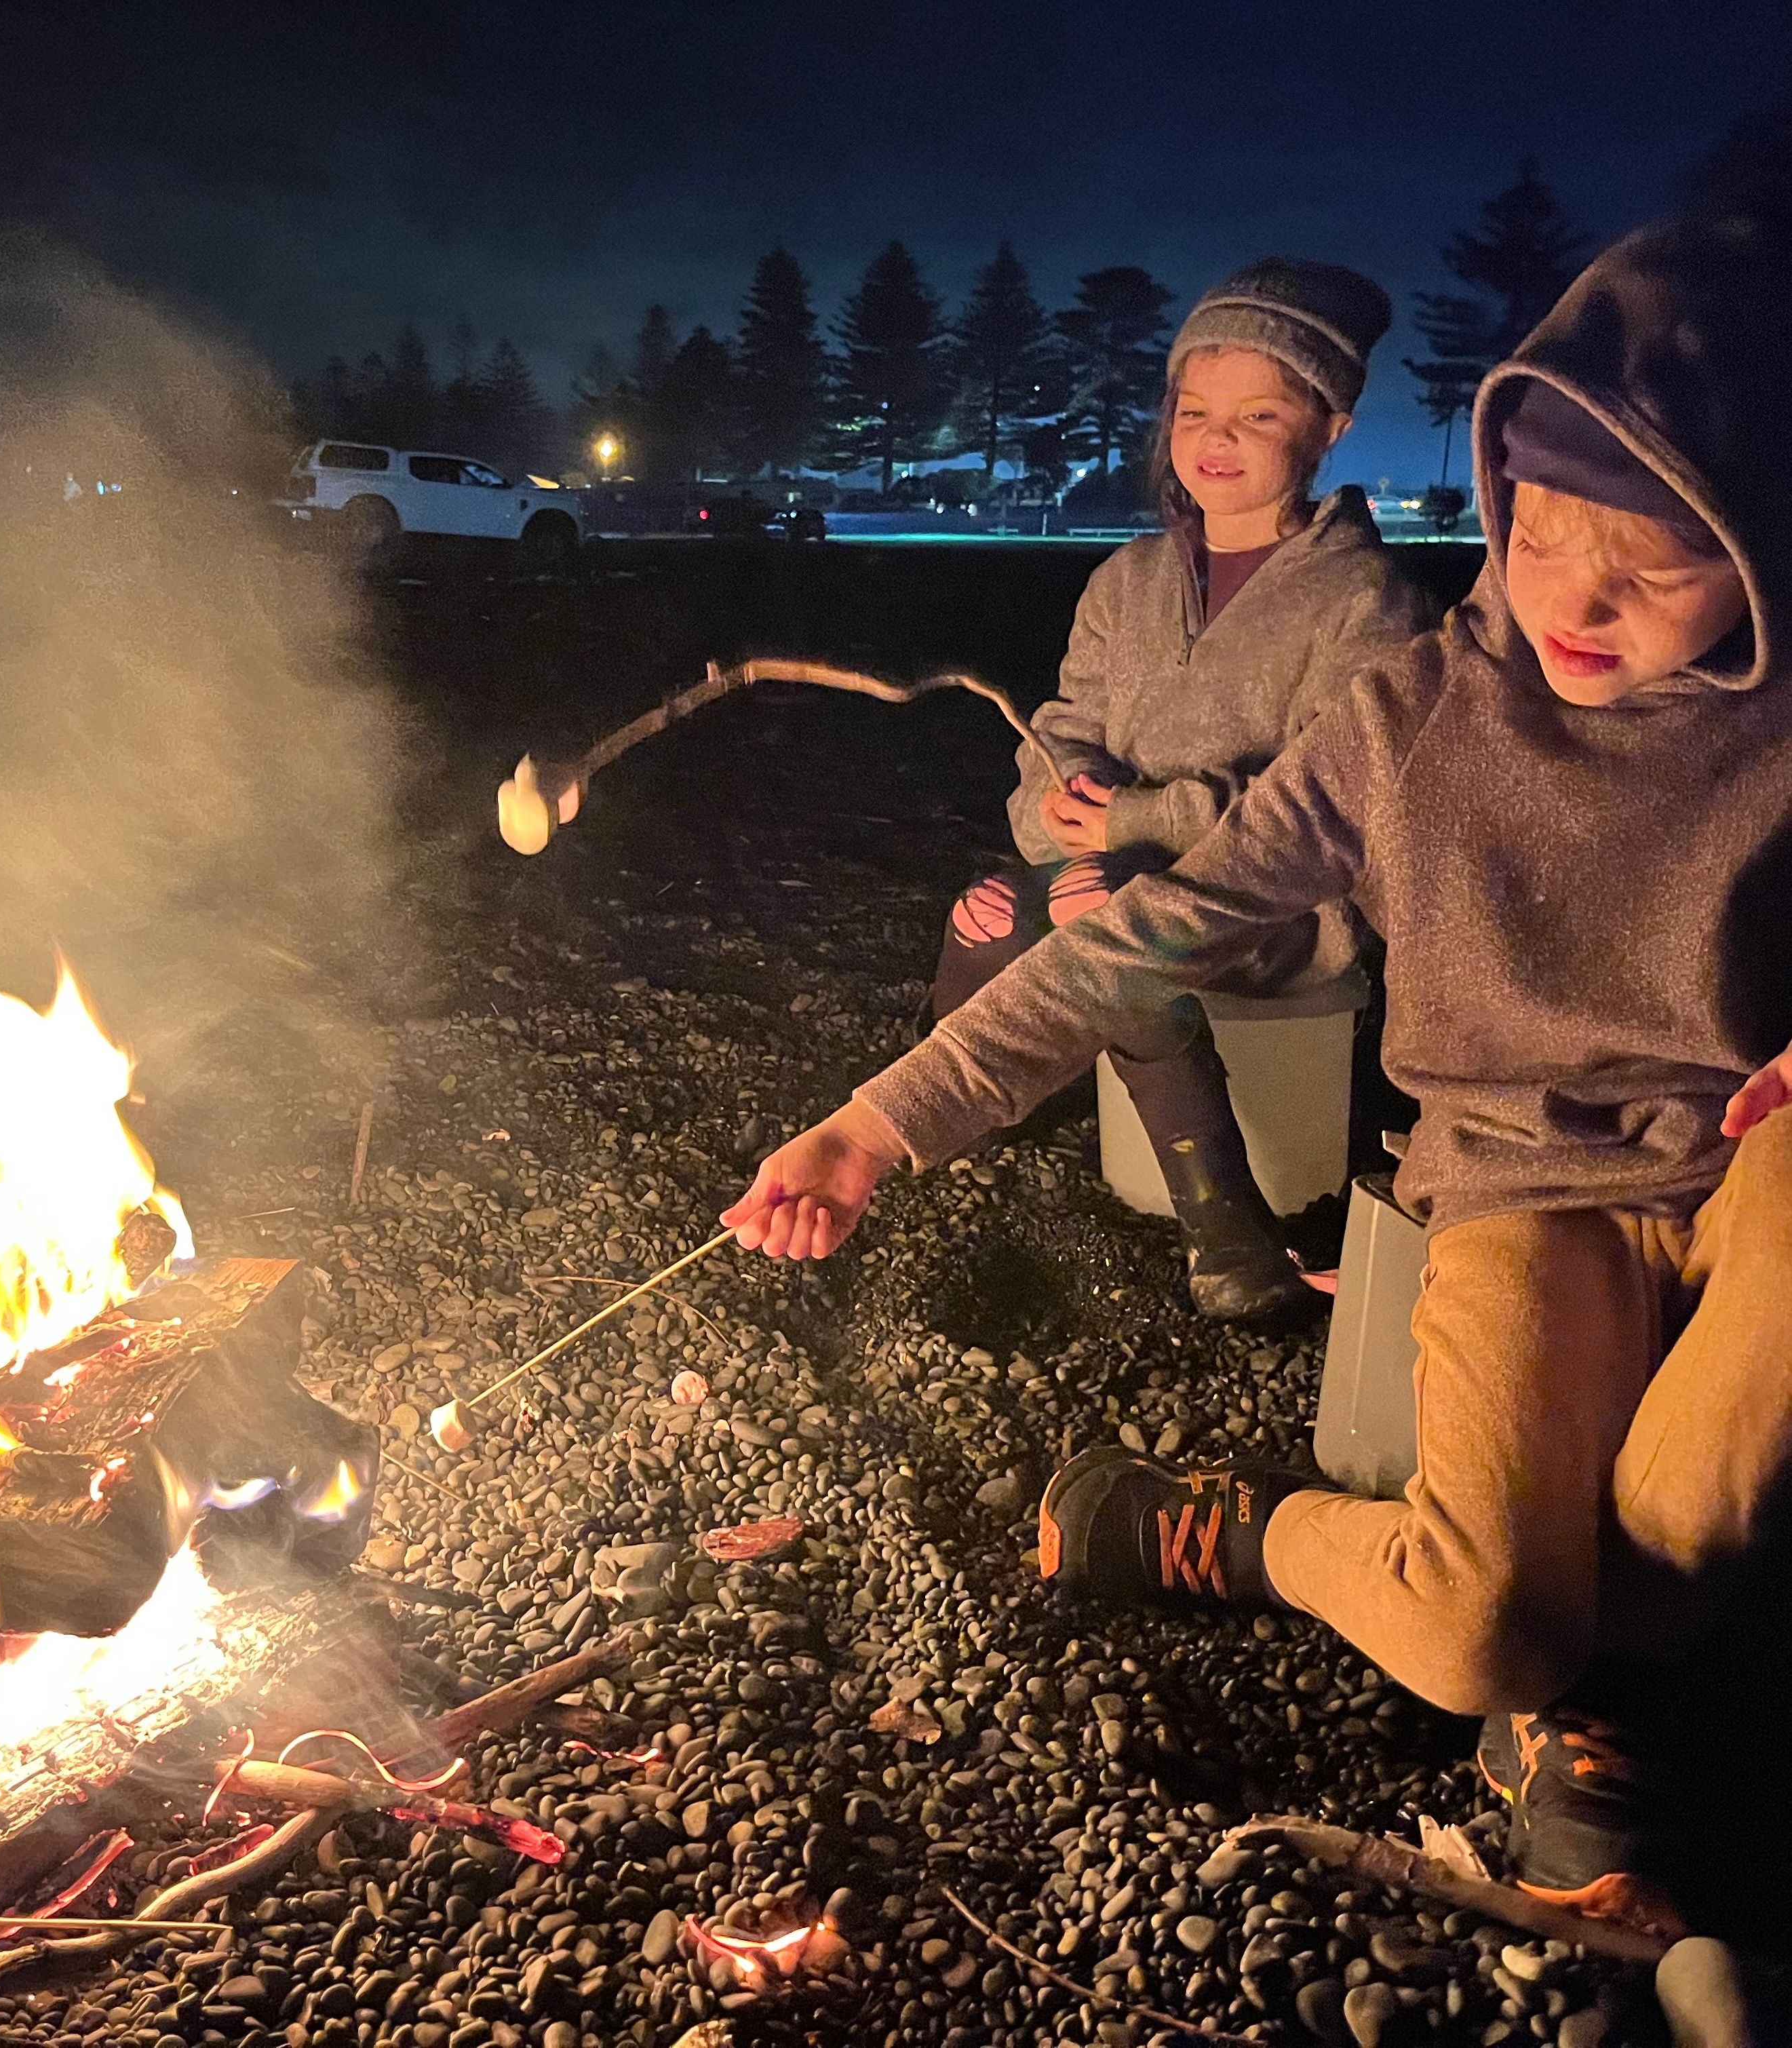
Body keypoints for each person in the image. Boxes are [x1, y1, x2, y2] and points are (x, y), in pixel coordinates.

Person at [721, 214, 1792, 1933]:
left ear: (1755, 542)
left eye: (1651, 565)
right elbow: (1158, 933)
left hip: (1754, 1175)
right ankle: (1244, 1537)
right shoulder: (1412, 714)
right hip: (1532, 1184)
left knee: (1681, 1514)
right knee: (1483, 1627)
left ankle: (1605, 1695)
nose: (1571, 603)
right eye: (1536, 540)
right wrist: (876, 1120)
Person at [934, 259, 1433, 1322]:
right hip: (1107, 873)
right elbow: (1062, 729)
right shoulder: (1126, 581)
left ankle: (1226, 1237)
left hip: (1280, 906)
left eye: (1260, 413)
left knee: (1102, 914)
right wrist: (1060, 798)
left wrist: (1139, 822)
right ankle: (968, 1111)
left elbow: (1333, 801)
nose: (1218, 439)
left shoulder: (1371, 603)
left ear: (1332, 424)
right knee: (987, 914)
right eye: (1196, 410)